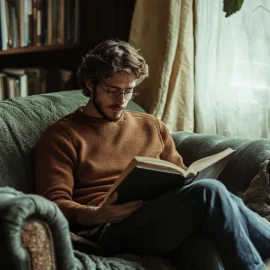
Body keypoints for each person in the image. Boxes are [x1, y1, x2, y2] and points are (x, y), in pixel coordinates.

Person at [35, 39, 270, 270]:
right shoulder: (62, 136)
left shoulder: (151, 126)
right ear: (90, 84)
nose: (122, 101)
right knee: (210, 192)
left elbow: (181, 175)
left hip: (160, 216)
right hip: (108, 228)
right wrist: (95, 214)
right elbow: (53, 202)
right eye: (113, 91)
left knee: (201, 247)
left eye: (129, 91)